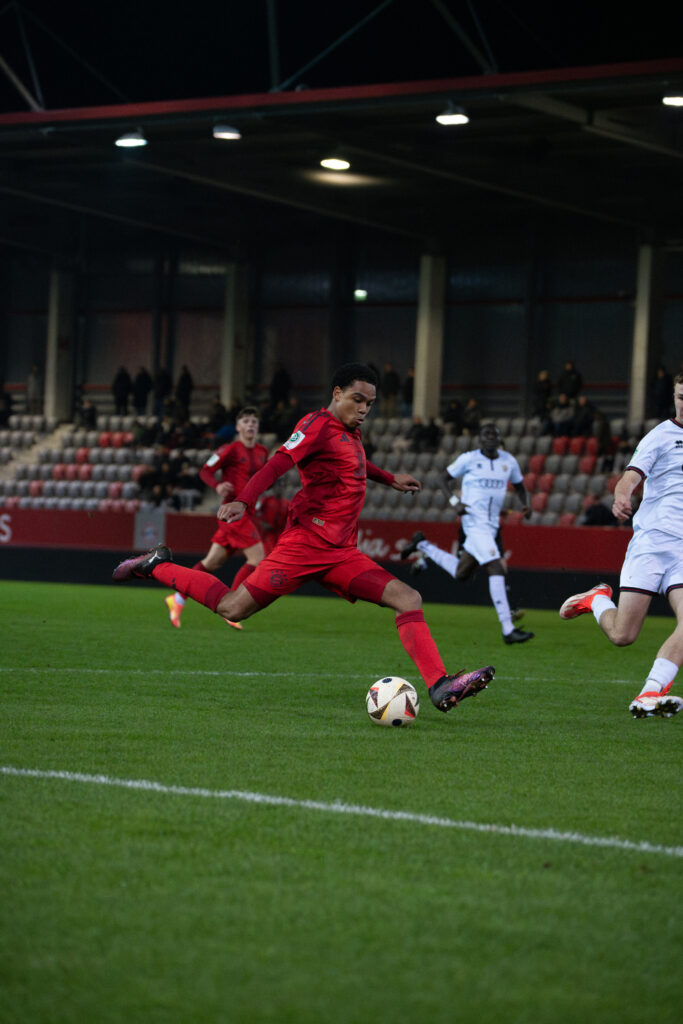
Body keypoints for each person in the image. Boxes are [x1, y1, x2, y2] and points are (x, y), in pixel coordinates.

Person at [113, 363, 496, 714]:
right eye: (357, 399)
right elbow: (277, 463)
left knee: (408, 598)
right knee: (232, 608)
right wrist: (244, 500)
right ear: (337, 394)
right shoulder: (315, 425)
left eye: (369, 403)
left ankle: (440, 686)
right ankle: (156, 566)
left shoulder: (351, 431)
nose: (364, 408)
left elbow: (356, 464)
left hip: (342, 553)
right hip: (305, 545)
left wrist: (388, 478)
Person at [559, 372, 683, 719]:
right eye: (680, 397)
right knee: (622, 635)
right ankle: (597, 599)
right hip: (652, 543)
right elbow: (629, 478)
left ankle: (649, 693)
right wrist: (621, 497)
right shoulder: (660, 436)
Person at [401, 423, 534, 644]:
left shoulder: (508, 461)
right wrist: (455, 502)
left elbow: (520, 486)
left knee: (461, 573)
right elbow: (442, 479)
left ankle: (422, 544)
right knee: (496, 567)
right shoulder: (469, 459)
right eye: (486, 434)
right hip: (473, 522)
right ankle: (508, 629)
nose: (490, 438)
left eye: (493, 434)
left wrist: (526, 504)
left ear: (498, 439)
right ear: (480, 439)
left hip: (491, 525)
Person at [164, 406, 269, 630]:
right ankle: (233, 608)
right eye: (246, 421)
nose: (251, 425)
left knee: (211, 563)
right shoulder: (230, 449)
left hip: (247, 514)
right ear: (238, 427)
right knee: (258, 558)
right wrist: (218, 485)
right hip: (232, 514)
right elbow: (205, 471)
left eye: (254, 421)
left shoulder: (262, 452)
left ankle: (177, 599)